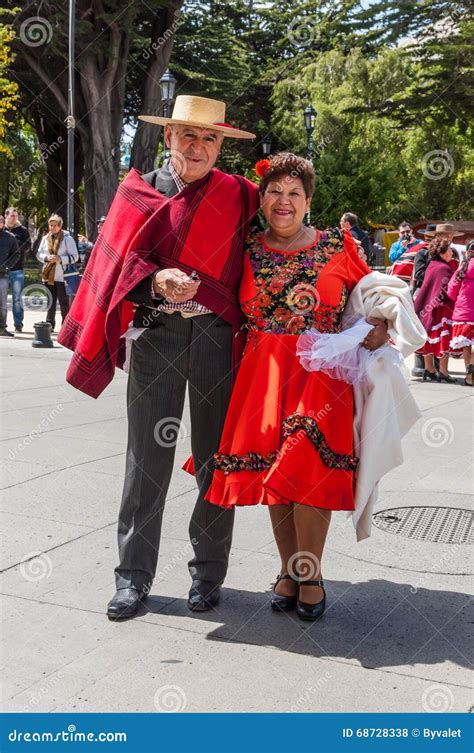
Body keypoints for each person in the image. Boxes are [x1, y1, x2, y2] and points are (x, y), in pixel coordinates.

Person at [57, 95, 259, 621]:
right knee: (146, 460)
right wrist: (153, 280)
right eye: (186, 136)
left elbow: (280, 247)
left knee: (216, 460)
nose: (197, 147)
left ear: (220, 146)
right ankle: (132, 578)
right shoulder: (138, 192)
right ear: (167, 137)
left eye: (209, 139)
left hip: (219, 340)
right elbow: (114, 270)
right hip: (155, 337)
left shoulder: (240, 196)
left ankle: (208, 574)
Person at [200, 153, 393, 622]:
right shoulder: (243, 247)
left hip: (320, 375)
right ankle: (288, 568)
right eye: (274, 192)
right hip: (261, 375)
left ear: (308, 201)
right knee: (278, 479)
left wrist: (382, 324)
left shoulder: (337, 247)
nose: (283, 201)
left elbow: (378, 295)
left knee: (306, 473)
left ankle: (312, 571)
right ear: (262, 198)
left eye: (294, 193)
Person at [414, 236, 457, 383]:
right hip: (440, 310)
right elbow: (446, 291)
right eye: (450, 249)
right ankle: (443, 372)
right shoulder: (444, 268)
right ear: (442, 252)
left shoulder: (432, 265)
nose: (452, 252)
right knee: (443, 339)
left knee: (428, 338)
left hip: (427, 308)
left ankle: (430, 369)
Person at [36, 214, 79, 332]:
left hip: (62, 276)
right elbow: (39, 254)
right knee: (50, 301)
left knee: (64, 301)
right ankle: (50, 325)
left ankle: (66, 326)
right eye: (51, 225)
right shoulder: (45, 238)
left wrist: (60, 259)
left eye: (55, 225)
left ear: (60, 226)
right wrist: (46, 258)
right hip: (48, 275)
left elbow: (75, 257)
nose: (53, 227)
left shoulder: (67, 239)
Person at [447, 242, 474, 386]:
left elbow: (451, 291)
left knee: (466, 345)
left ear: (468, 252)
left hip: (464, 313)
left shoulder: (462, 267)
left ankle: (469, 374)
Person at [5, 207, 30, 333]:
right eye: (12, 216)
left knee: (17, 298)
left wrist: (15, 244)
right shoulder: (1, 229)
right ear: (6, 216)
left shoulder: (23, 230)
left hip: (17, 268)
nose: (15, 218)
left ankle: (18, 324)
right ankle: (1, 325)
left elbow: (28, 245)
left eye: (16, 216)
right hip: (2, 269)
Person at [0, 215, 20, 337]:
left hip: (2, 274)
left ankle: (2, 327)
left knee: (2, 303)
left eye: (1, 222)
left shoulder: (10, 238)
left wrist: (7, 266)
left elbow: (16, 254)